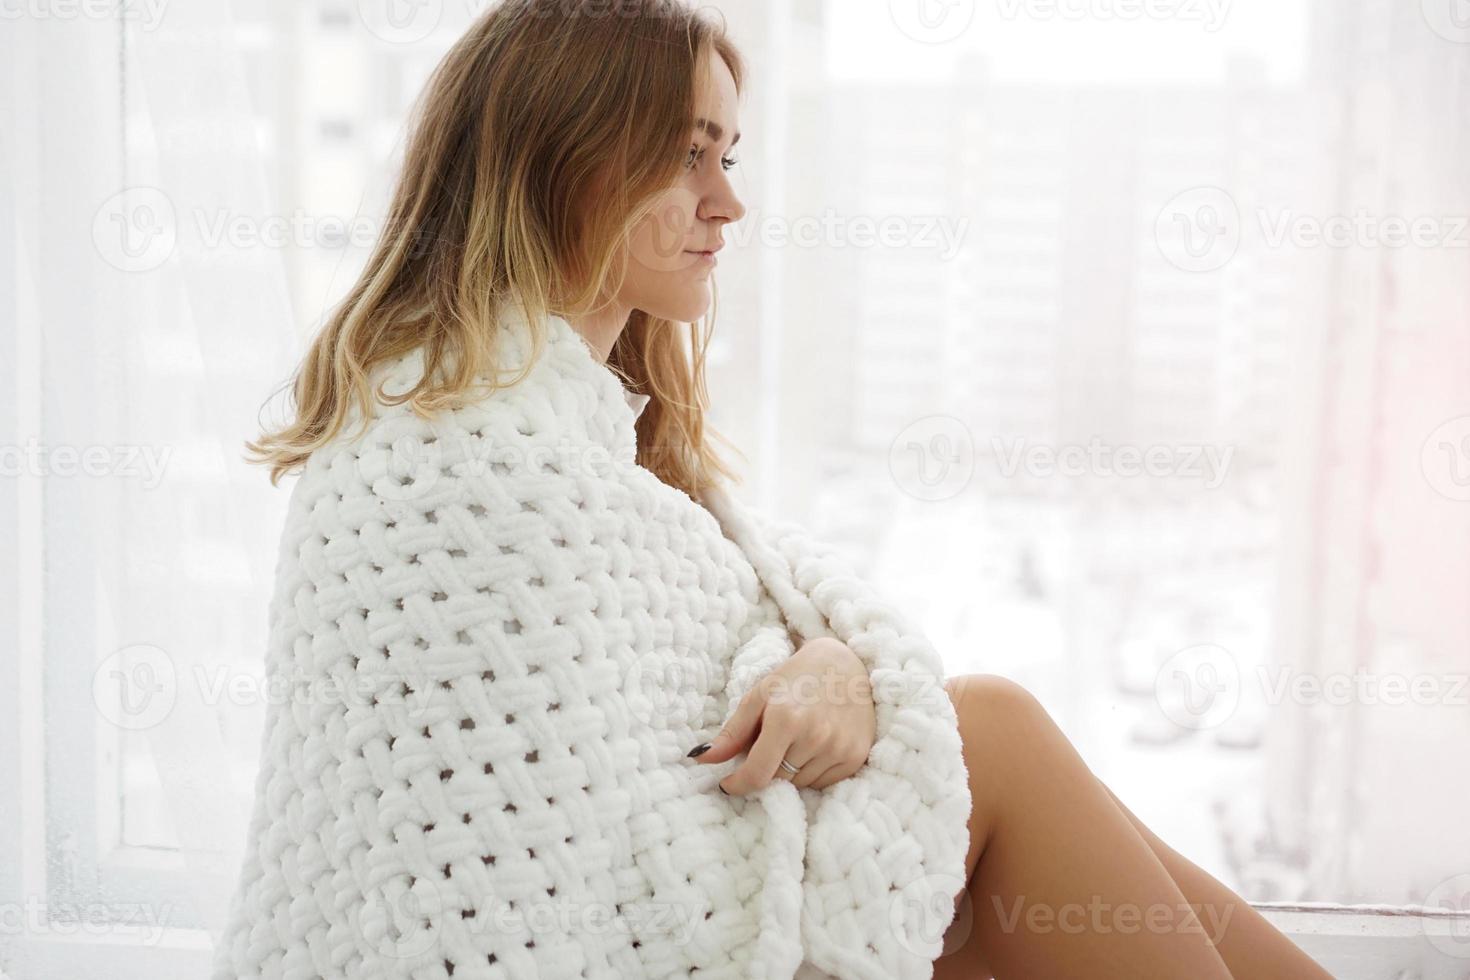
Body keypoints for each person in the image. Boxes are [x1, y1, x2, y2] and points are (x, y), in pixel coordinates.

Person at [239, 2, 1333, 976]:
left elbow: (705, 676)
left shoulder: (540, 425)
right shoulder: (465, 469)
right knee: (988, 737)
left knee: (985, 773)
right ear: (561, 164)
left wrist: (828, 663)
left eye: (732, 155)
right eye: (688, 157)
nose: (729, 203)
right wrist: (836, 674)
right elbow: (561, 866)